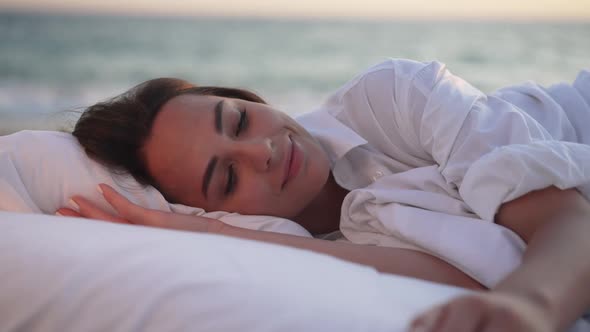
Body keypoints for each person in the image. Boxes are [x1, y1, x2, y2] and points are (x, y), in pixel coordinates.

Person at [58, 58, 590, 332]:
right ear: (211, 208)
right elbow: (469, 274)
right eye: (227, 178)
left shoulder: (392, 96)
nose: (261, 152)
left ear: (247, 98)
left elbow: (565, 218)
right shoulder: (282, 237)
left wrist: (529, 305)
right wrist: (213, 236)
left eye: (239, 120)